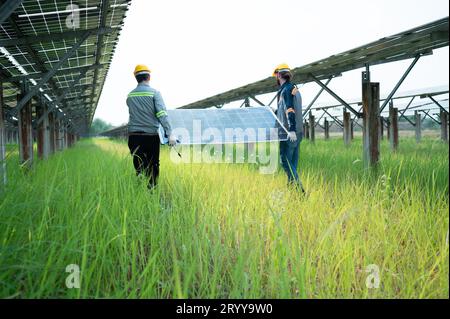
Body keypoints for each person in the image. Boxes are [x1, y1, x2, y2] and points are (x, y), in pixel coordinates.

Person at [126, 64, 177, 190]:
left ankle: (139, 192)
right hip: (150, 137)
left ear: (136, 78)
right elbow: (162, 114)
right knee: (153, 165)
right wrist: (170, 133)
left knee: (139, 166)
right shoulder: (155, 93)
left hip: (134, 137)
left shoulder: (130, 96)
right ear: (149, 77)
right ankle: (152, 192)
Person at [273, 63, 305, 193]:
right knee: (293, 165)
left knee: (285, 161)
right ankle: (293, 192)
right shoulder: (295, 90)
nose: (276, 78)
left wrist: (291, 129)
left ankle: (300, 191)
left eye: (276, 76)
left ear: (279, 75)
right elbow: (285, 109)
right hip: (298, 132)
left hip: (289, 133)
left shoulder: (286, 90)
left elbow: (290, 109)